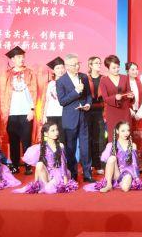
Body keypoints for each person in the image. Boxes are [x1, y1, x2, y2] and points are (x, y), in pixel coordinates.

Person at [0, 46, 37, 175]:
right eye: (19, 57)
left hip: (26, 112)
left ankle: (28, 165)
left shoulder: (30, 73)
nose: (22, 59)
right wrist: (4, 113)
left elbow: (34, 92)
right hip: (11, 113)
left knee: (26, 140)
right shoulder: (6, 74)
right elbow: (2, 94)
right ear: (13, 59)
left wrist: (32, 109)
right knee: (13, 141)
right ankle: (15, 165)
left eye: (23, 57)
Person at [56, 53, 93, 183]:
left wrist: (88, 104)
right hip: (70, 119)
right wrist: (76, 91)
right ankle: (73, 174)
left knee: (85, 146)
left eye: (78, 63)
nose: (77, 66)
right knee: (70, 148)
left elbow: (89, 95)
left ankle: (87, 174)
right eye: (74, 64)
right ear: (67, 66)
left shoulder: (83, 77)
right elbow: (62, 101)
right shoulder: (61, 81)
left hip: (83, 116)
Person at [14, 122, 77, 194]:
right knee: (39, 164)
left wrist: (65, 180)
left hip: (59, 174)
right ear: (46, 134)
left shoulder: (60, 145)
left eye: (56, 130)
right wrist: (35, 184)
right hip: (47, 174)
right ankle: (42, 184)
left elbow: (63, 163)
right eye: (53, 131)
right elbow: (38, 168)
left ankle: (48, 186)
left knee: (49, 189)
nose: (56, 132)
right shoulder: (41, 147)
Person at [85, 121, 142, 193]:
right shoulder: (111, 145)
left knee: (125, 188)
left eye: (128, 130)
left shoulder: (133, 145)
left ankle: (121, 183)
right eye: (123, 131)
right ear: (117, 131)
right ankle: (108, 184)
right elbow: (105, 160)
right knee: (112, 158)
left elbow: (135, 165)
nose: (126, 133)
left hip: (128, 173)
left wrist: (136, 178)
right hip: (117, 173)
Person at [99, 55, 134, 140]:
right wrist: (115, 98)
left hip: (125, 111)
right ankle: (114, 149)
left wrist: (131, 96)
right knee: (114, 135)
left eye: (118, 67)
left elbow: (129, 92)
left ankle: (127, 149)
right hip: (112, 112)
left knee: (126, 135)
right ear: (108, 68)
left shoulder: (125, 78)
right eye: (113, 68)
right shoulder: (104, 80)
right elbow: (105, 98)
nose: (116, 69)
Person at [126, 62, 142, 172]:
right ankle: (131, 164)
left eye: (136, 69)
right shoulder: (124, 82)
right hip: (128, 114)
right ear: (127, 71)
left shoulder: (141, 82)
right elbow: (124, 99)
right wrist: (131, 112)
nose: (135, 71)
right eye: (132, 69)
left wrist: (140, 113)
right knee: (130, 137)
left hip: (140, 114)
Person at [87, 56, 106, 175]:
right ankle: (89, 165)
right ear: (90, 65)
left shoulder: (104, 79)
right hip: (87, 112)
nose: (99, 65)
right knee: (88, 139)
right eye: (96, 63)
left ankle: (99, 164)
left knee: (99, 139)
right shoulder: (85, 78)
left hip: (100, 112)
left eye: (100, 63)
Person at [42, 57, 65, 143]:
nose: (60, 70)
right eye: (57, 68)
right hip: (51, 114)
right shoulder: (50, 84)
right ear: (53, 70)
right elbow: (47, 100)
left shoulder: (68, 83)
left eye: (62, 67)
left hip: (63, 114)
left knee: (62, 139)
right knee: (50, 139)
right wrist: (44, 115)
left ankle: (62, 152)